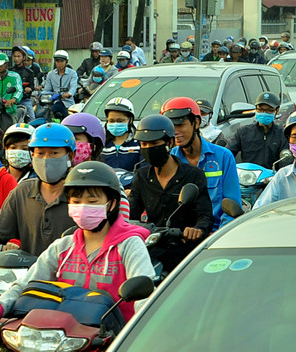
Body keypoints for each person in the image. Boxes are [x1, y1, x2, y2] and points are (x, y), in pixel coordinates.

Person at [0, 160, 154, 340]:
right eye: (76, 201)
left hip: (113, 341)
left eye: (92, 201)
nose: (83, 208)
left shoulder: (129, 245)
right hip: (61, 340)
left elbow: (145, 299)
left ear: (111, 204)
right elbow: (25, 284)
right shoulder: (62, 247)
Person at [0, 123, 79, 278]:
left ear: (70, 156)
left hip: (71, 280)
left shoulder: (80, 195)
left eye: (54, 153)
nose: (46, 159)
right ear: (32, 155)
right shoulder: (22, 192)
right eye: (40, 153)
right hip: (29, 279)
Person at [129, 115, 212, 270]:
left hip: (186, 253)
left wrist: (196, 230)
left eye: (154, 143)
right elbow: (131, 213)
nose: (148, 148)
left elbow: (205, 215)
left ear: (170, 143)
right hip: (151, 251)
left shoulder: (193, 175)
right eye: (144, 144)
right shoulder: (141, 176)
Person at [162, 97, 241, 230]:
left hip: (216, 233)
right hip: (180, 234)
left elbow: (232, 205)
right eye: (171, 127)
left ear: (196, 123)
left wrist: (218, 234)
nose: (175, 131)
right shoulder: (169, 160)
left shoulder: (223, 157)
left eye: (180, 125)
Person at [225, 92, 287, 168]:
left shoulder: (282, 134)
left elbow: (286, 163)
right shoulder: (243, 132)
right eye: (260, 110)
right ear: (256, 109)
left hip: (273, 174)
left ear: (277, 111)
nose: (264, 113)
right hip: (248, 174)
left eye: (269, 110)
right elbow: (227, 154)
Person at [102, 98, 141, 171]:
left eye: (120, 121)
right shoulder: (102, 145)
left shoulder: (139, 144)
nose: (115, 124)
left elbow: (144, 169)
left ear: (130, 120)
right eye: (111, 121)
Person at [43, 50, 78, 119]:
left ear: (66, 61)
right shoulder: (50, 74)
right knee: (44, 114)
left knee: (71, 119)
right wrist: (42, 95)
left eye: (62, 61)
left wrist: (69, 93)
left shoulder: (72, 73)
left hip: (68, 103)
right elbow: (47, 89)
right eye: (57, 61)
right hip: (53, 102)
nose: (59, 63)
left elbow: (73, 88)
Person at [9, 46, 37, 122]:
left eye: (19, 56)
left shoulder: (29, 72)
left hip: (24, 100)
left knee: (32, 120)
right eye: (15, 56)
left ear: (23, 57)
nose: (16, 59)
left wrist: (29, 89)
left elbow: (32, 86)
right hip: (11, 100)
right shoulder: (9, 71)